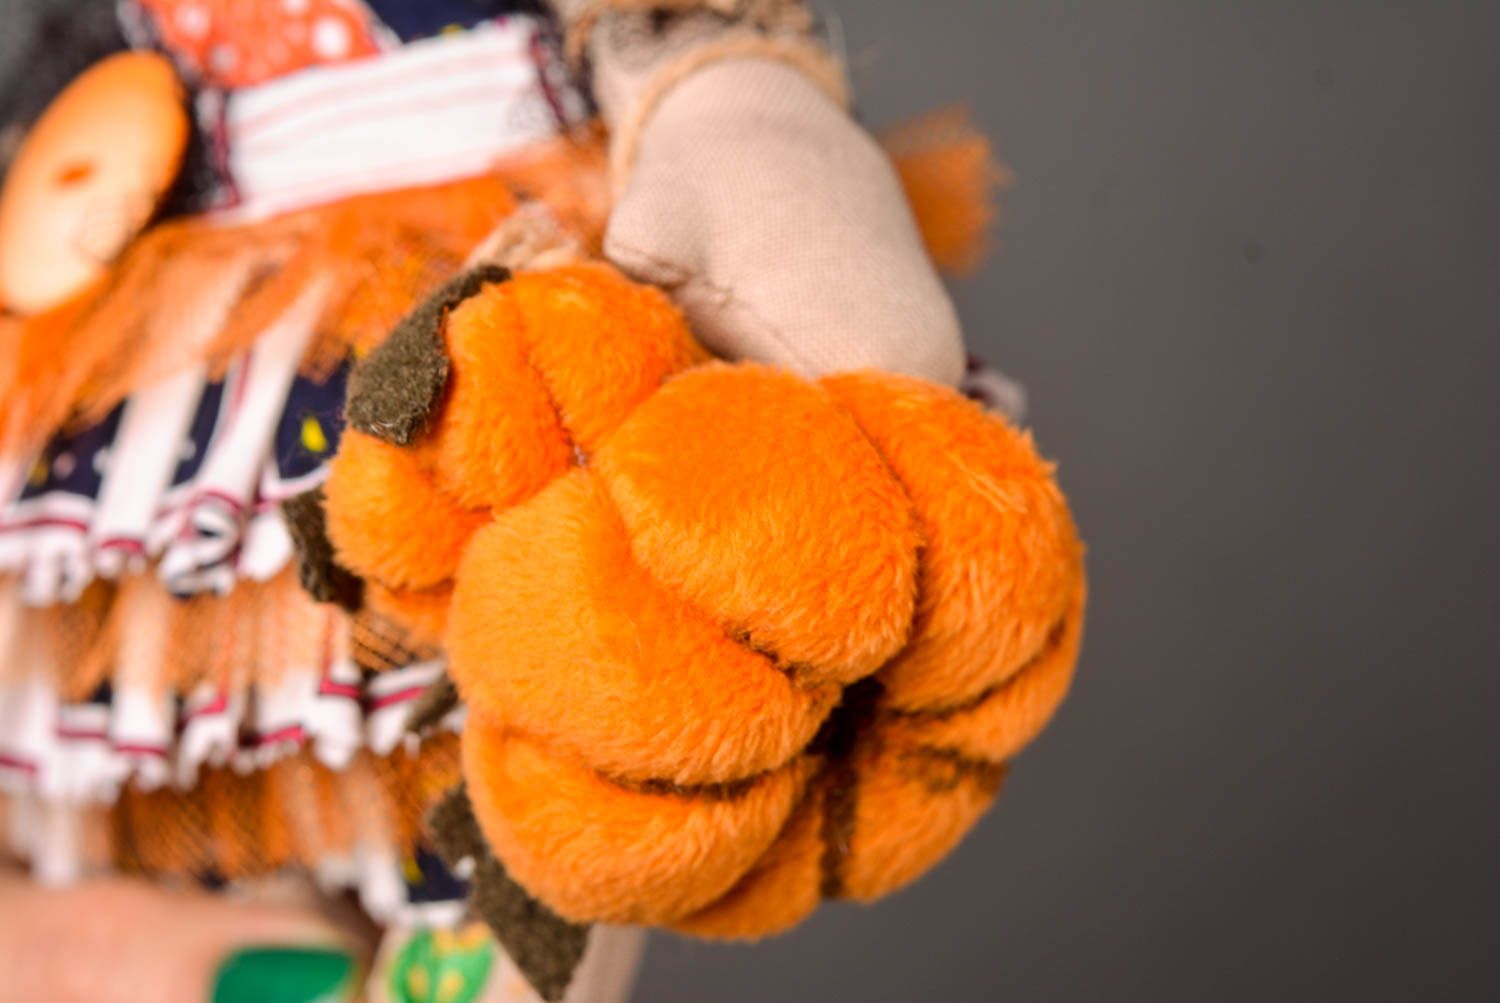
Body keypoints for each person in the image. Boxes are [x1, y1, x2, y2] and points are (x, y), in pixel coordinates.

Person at [0, 2, 1004, 1000]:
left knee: (549, 686)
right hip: (153, 331)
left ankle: (477, 955)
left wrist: (736, 130)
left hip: (508, 278)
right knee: (148, 745)